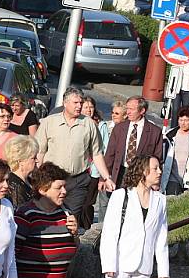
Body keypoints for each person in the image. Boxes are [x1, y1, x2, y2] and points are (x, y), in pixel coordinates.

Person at [35, 87, 114, 222]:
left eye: (81, 103)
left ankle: (68, 240)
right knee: (48, 214)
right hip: (52, 179)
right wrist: (36, 177)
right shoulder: (50, 122)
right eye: (75, 103)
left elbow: (97, 154)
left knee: (71, 218)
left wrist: (106, 177)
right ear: (65, 103)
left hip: (78, 180)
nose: (79, 106)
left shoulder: (88, 123)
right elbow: (40, 151)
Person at [104, 95, 162, 191]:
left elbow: (158, 158)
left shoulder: (154, 131)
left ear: (142, 111)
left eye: (131, 109)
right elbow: (110, 154)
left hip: (140, 176)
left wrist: (155, 182)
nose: (128, 112)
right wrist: (104, 178)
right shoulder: (119, 128)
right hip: (120, 172)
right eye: (127, 108)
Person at [81, 96, 109, 227]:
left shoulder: (101, 125)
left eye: (91, 107)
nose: (88, 110)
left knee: (88, 202)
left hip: (94, 169)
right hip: (79, 169)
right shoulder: (78, 124)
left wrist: (104, 176)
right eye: (85, 107)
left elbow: (105, 148)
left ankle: (87, 228)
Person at [168, 54, 189, 128]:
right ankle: (173, 129)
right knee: (175, 110)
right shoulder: (180, 59)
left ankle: (183, 128)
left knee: (185, 111)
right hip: (177, 89)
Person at [4, 135, 39, 208]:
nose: (37, 161)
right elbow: (18, 212)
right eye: (33, 158)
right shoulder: (13, 185)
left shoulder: (31, 181)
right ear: (21, 161)